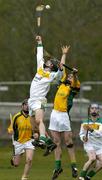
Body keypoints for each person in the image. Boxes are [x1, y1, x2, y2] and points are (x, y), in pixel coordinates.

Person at [28, 35, 70, 154]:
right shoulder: (40, 68)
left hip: (40, 100)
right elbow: (39, 55)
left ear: (51, 66)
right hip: (31, 100)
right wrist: (40, 42)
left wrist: (64, 55)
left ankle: (42, 139)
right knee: (33, 125)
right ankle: (50, 142)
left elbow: (61, 71)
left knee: (39, 120)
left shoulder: (53, 75)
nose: (47, 60)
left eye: (49, 61)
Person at [49, 68, 80, 179]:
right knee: (56, 142)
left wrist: (75, 75)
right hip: (54, 113)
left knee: (68, 142)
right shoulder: (62, 84)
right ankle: (57, 167)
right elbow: (62, 69)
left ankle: (74, 166)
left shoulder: (73, 87)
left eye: (71, 77)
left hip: (63, 115)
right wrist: (64, 54)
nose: (69, 77)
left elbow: (75, 83)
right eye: (69, 76)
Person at [8, 99, 34, 180]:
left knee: (29, 159)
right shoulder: (17, 116)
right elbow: (11, 128)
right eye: (25, 104)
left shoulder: (32, 116)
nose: (27, 106)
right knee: (16, 164)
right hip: (18, 142)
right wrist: (10, 130)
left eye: (28, 105)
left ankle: (24, 177)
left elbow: (36, 128)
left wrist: (37, 134)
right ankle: (15, 157)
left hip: (29, 140)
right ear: (22, 106)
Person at [79, 103, 102, 180]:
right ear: (89, 111)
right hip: (89, 144)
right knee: (92, 158)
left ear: (98, 110)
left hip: (99, 145)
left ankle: (88, 177)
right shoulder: (85, 122)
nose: (94, 110)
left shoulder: (101, 122)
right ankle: (81, 177)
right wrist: (83, 138)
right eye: (92, 108)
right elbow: (81, 134)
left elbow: (100, 135)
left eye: (96, 108)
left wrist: (91, 130)